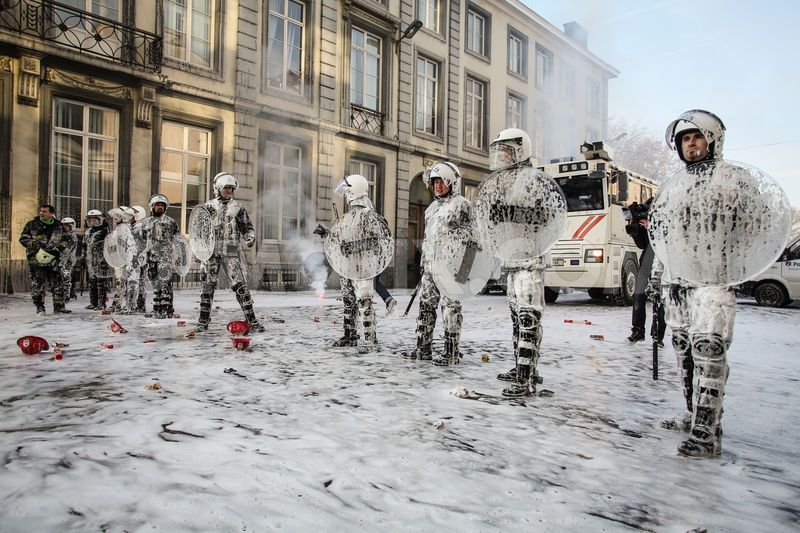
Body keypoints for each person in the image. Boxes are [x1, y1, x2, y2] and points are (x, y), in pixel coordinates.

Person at [656, 109, 733, 457]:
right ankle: (695, 414)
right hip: (676, 280)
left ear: (712, 140)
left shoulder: (730, 182)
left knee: (709, 352)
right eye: (685, 139)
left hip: (712, 280)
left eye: (697, 137)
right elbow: (663, 235)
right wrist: (659, 276)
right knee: (684, 352)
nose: (691, 144)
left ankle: (706, 430)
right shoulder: (674, 187)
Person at [489, 129, 549, 397]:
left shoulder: (533, 181)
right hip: (512, 261)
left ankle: (525, 379)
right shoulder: (506, 182)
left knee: (528, 317)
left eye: (506, 151)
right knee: (517, 318)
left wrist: (507, 212)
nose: (501, 156)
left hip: (530, 260)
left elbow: (543, 215)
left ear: (519, 151)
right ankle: (523, 368)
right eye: (499, 151)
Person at [402, 162, 471, 366]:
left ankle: (451, 352)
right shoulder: (431, 208)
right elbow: (428, 238)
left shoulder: (462, 205)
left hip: (451, 268)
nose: (438, 186)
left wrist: (465, 269)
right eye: (434, 182)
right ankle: (423, 348)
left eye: (441, 181)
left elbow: (474, 239)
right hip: (431, 269)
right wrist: (424, 262)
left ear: (451, 182)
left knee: (450, 309)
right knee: (426, 307)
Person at [194, 172, 264, 333]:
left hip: (231, 250)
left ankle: (252, 320)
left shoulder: (238, 208)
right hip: (210, 252)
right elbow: (199, 230)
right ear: (218, 188)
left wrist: (250, 237)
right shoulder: (208, 207)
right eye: (226, 188)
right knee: (207, 287)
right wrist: (200, 250)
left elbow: (247, 227)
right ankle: (203, 321)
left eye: (231, 188)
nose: (228, 191)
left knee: (240, 286)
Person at [624, 199, 666, 344]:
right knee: (638, 294)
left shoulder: (665, 213)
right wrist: (636, 229)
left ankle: (658, 335)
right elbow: (642, 244)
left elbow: (671, 235)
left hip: (662, 259)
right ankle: (638, 330)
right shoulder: (647, 214)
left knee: (660, 297)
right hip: (647, 257)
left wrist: (653, 226)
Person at [18, 204, 65, 314]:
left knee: (57, 284)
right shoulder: (32, 224)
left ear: (51, 213)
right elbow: (23, 239)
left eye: (44, 211)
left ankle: (58, 308)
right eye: (41, 211)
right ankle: (39, 307)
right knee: (37, 284)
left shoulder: (58, 225)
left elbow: (65, 240)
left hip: (54, 260)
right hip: (36, 260)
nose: (41, 213)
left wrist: (58, 249)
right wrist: (34, 244)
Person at [142, 194, 180, 319]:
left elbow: (177, 238)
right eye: (157, 205)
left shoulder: (170, 222)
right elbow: (142, 238)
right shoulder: (145, 223)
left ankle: (167, 309)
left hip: (165, 257)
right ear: (152, 207)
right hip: (151, 257)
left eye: (162, 205)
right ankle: (156, 309)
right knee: (155, 284)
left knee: (165, 283)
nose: (160, 207)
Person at [84, 209, 112, 310]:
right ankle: (93, 302)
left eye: (95, 219)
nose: (93, 222)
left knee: (101, 283)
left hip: (101, 259)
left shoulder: (104, 230)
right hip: (90, 259)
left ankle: (101, 303)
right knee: (92, 282)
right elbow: (85, 245)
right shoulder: (88, 231)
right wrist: (84, 257)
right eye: (91, 220)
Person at [58, 217, 79, 313]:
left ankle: (66, 297)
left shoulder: (72, 237)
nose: (65, 227)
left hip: (67, 262)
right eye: (64, 225)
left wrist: (62, 262)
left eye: (67, 226)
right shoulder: (62, 235)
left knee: (66, 280)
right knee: (61, 281)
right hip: (61, 261)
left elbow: (66, 250)